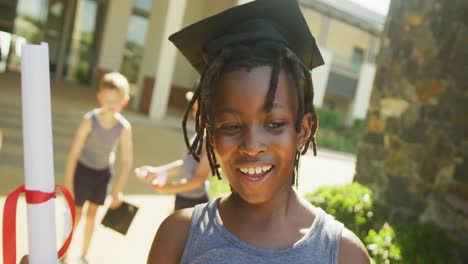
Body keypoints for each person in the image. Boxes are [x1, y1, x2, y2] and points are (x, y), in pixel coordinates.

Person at [147, 0, 370, 263]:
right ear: (211, 133)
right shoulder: (179, 237)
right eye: (230, 126)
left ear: (303, 131)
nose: (252, 145)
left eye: (275, 124)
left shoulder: (343, 254)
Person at [64, 72, 133, 263]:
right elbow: (74, 153)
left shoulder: (123, 127)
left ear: (124, 101)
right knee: (75, 214)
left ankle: (84, 255)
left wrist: (117, 191)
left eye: (116, 101)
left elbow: (127, 162)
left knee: (92, 214)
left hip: (102, 174)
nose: (111, 105)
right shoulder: (89, 120)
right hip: (83, 171)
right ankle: (64, 251)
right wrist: (69, 185)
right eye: (107, 99)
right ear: (99, 97)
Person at [136, 91, 211, 211]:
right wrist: (157, 171)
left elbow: (198, 179)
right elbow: (186, 164)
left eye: (200, 111)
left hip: (195, 202)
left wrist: (169, 187)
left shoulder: (211, 142)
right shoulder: (200, 134)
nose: (194, 114)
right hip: (183, 196)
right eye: (194, 110)